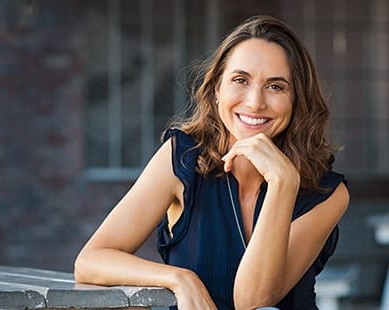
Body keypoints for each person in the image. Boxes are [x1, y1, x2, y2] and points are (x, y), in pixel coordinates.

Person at [74, 15, 349, 310]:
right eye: (240, 80)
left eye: (276, 86)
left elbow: (251, 300)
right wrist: (179, 279)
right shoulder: (181, 157)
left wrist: (284, 182)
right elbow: (91, 260)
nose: (255, 102)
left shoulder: (327, 193)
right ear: (217, 90)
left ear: (296, 100)